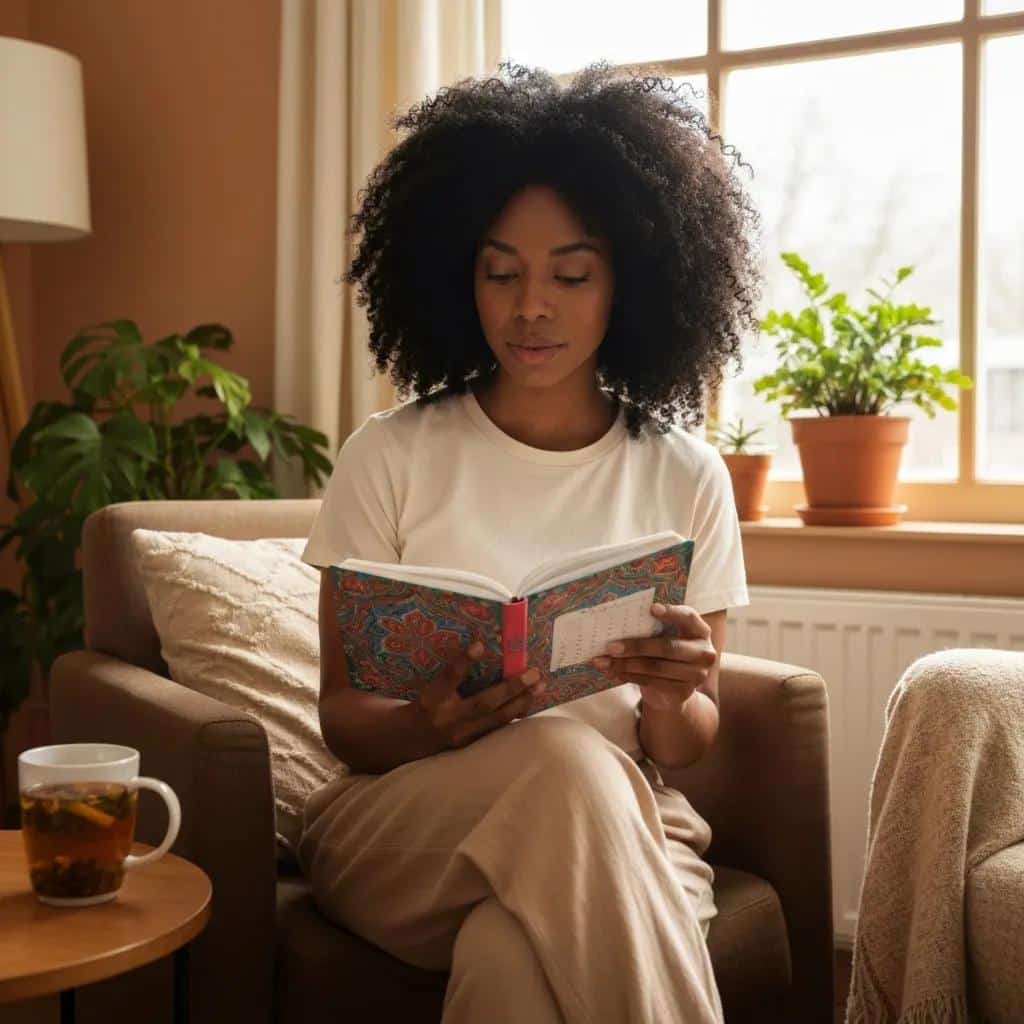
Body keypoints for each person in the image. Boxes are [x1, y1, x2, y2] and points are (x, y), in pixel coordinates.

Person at [298, 60, 761, 1024]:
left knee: (511, 957)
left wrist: (680, 691)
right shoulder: (388, 456)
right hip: (405, 829)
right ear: (457, 277)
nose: (530, 306)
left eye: (571, 274)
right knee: (559, 759)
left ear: (629, 282)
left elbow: (688, 739)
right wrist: (427, 726)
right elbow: (343, 716)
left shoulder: (686, 474)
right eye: (500, 273)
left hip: (626, 828)